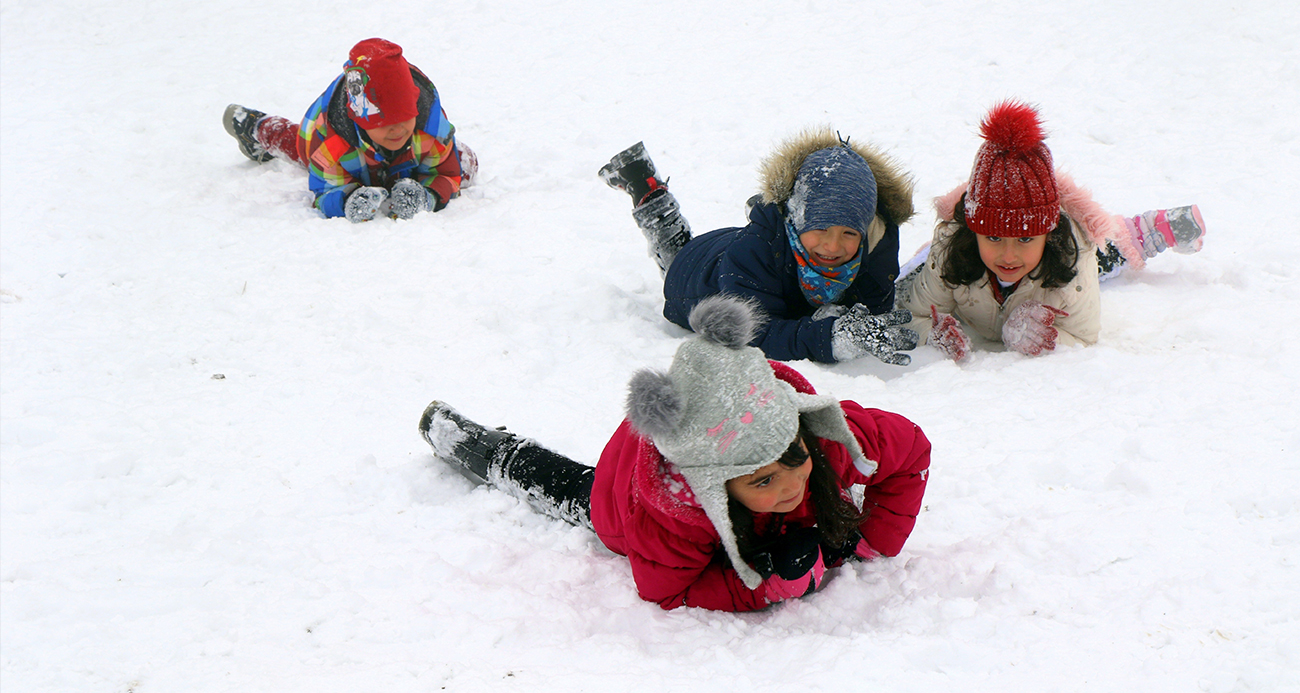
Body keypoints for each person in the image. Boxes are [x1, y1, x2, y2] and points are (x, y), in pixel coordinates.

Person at [419, 295, 931, 612]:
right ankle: (477, 446)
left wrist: (866, 541)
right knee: (572, 489)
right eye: (760, 482)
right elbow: (666, 591)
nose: (790, 486)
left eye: (792, 460)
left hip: (705, 425)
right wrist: (765, 586)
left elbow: (912, 453)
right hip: (623, 495)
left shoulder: (821, 436)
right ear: (715, 487)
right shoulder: (674, 513)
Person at [898, 100, 1207, 360]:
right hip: (961, 257)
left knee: (1102, 255)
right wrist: (934, 336)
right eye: (993, 237)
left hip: (1057, 263)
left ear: (1048, 232)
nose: (1008, 255)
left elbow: (1083, 337)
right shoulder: (950, 251)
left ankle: (1141, 234)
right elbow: (913, 315)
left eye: (1025, 238)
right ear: (973, 230)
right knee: (913, 275)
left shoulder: (1073, 256)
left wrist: (1047, 337)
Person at [598, 129, 919, 365]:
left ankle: (767, 217)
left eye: (849, 232)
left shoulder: (877, 245)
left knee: (773, 252)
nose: (833, 246)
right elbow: (754, 334)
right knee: (676, 251)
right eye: (819, 228)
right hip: (700, 275)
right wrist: (830, 337)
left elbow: (874, 306)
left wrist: (858, 323)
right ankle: (646, 188)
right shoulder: (753, 253)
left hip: (760, 251)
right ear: (796, 220)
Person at [221, 38, 477, 222]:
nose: (397, 129)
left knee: (464, 163)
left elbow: (448, 173)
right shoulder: (332, 145)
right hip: (329, 141)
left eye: (405, 117)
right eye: (384, 123)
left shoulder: (430, 131)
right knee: (298, 147)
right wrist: (347, 200)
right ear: (362, 121)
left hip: (406, 157)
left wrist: (428, 196)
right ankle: (255, 127)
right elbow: (322, 193)